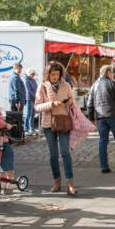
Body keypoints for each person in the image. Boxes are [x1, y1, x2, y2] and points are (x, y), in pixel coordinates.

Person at [35, 62, 77, 195]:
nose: (54, 77)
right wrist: (51, 104)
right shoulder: (42, 86)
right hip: (48, 124)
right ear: (48, 74)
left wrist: (70, 102)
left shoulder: (66, 85)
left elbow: (73, 102)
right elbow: (37, 106)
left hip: (63, 121)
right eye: (52, 74)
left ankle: (70, 182)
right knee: (53, 154)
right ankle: (57, 181)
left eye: (57, 74)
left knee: (65, 153)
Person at [87, 65, 115, 173]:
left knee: (103, 141)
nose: (113, 74)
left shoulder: (94, 85)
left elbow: (89, 103)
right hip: (113, 114)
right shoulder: (113, 83)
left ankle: (104, 166)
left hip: (100, 116)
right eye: (112, 72)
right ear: (107, 73)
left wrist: (91, 117)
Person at [23, 68, 38, 136]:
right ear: (29, 74)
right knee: (28, 114)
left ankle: (31, 127)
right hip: (29, 99)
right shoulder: (26, 80)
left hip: (34, 99)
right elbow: (28, 91)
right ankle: (26, 128)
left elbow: (36, 87)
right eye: (32, 74)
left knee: (33, 114)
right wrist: (35, 96)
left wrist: (37, 95)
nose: (33, 75)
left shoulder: (33, 80)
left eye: (34, 74)